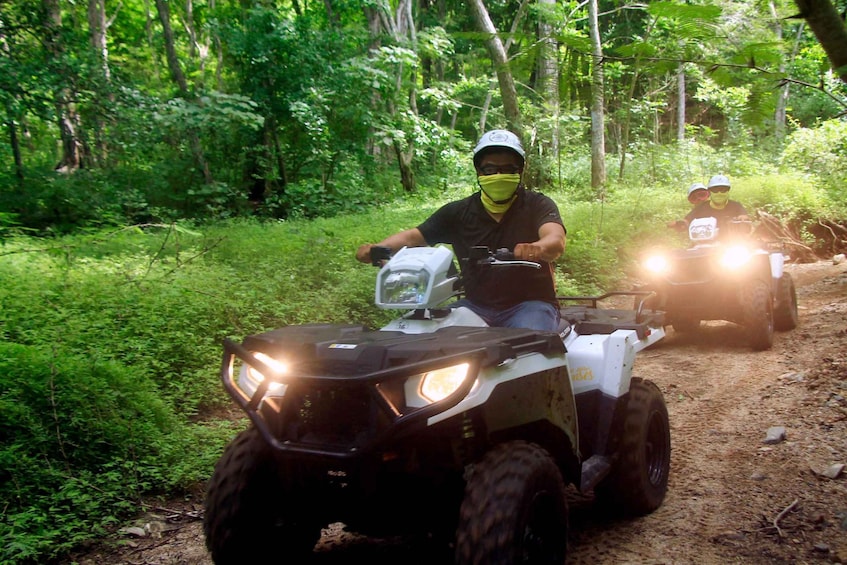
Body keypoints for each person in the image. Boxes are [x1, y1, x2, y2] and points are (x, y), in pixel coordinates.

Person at [355, 129, 566, 332]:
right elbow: (414, 236)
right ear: (479, 172)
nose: (498, 175)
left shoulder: (538, 205)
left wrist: (537, 248)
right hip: (475, 306)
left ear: (520, 171)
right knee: (424, 335)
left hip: (530, 305)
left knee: (528, 345)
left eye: (508, 169)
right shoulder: (458, 212)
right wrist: (379, 248)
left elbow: (555, 239)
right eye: (490, 170)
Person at [684, 174, 750, 229]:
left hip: (732, 240)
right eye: (715, 190)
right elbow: (687, 220)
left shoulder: (736, 205)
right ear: (710, 192)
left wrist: (743, 217)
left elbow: (743, 215)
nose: (719, 193)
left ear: (728, 191)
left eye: (723, 190)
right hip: (705, 241)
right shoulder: (700, 207)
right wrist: (679, 223)